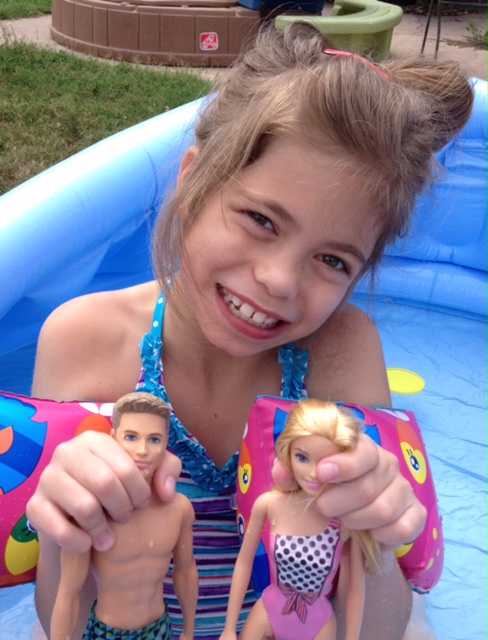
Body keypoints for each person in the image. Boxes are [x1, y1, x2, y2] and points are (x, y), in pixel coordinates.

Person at [26, 22, 473, 640]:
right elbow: (61, 620)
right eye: (261, 219)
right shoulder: (87, 341)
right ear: (192, 183)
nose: (280, 279)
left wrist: (373, 533)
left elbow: (378, 629)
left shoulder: (340, 353)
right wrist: (59, 531)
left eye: (333, 260)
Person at [220, 399, 384, 640]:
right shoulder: (270, 504)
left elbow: (354, 590)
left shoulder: (344, 520)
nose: (312, 472)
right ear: (288, 453)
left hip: (318, 624)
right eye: (303, 458)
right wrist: (228, 628)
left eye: (326, 462)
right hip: (269, 612)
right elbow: (244, 563)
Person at [49, 392, 198, 640]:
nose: (142, 450)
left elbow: (186, 569)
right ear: (113, 439)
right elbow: (68, 592)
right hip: (106, 632)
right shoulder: (91, 513)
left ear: (165, 445)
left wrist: (189, 632)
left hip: (159, 630)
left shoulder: (179, 509)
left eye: (154, 439)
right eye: (131, 437)